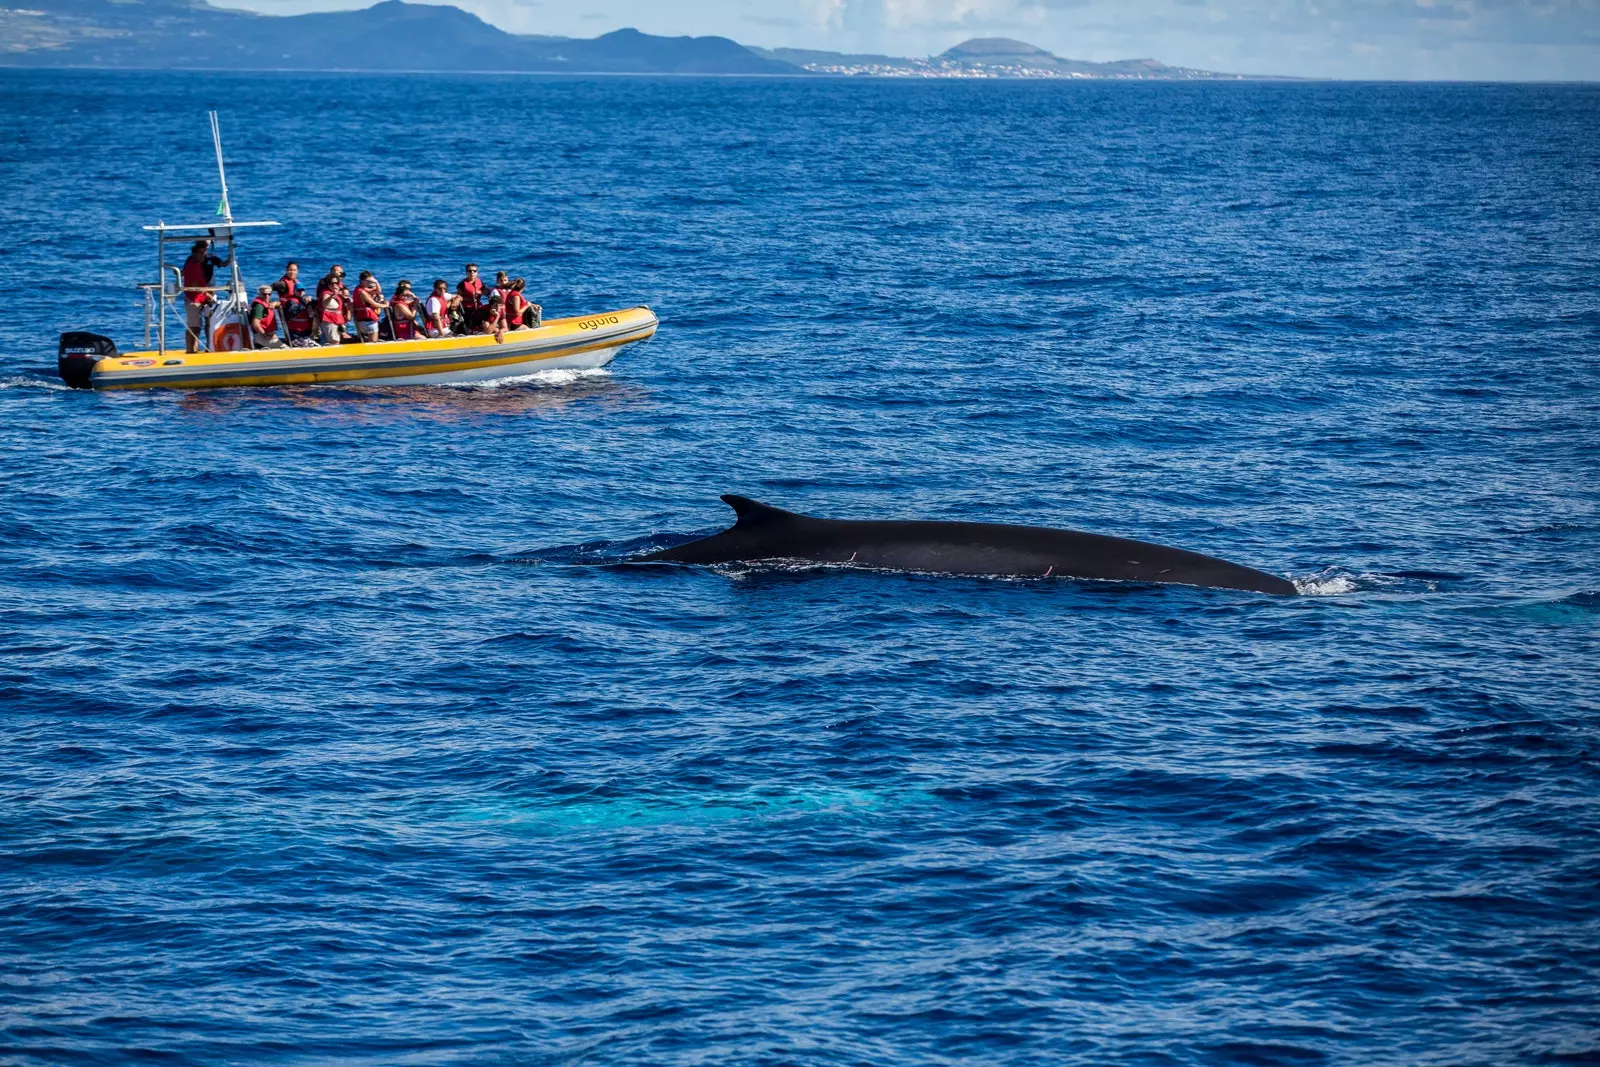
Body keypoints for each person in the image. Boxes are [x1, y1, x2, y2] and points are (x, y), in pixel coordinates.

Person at [181, 239, 231, 353]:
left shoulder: (211, 257)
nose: (205, 249)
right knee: (195, 324)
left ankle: (210, 345)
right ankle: (192, 348)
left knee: (210, 321)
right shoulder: (192, 262)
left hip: (208, 290)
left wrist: (229, 259)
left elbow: (222, 264)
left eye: (206, 246)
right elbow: (190, 279)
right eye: (202, 246)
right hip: (198, 293)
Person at [351, 271, 388, 343]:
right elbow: (374, 304)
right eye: (367, 281)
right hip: (367, 319)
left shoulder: (360, 289)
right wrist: (385, 305)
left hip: (362, 319)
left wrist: (376, 282)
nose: (369, 283)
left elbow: (378, 291)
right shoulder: (361, 292)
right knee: (373, 341)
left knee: (369, 341)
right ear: (362, 281)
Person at [316, 265, 350, 342]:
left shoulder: (340, 285)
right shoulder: (324, 285)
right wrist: (332, 295)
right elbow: (324, 301)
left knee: (339, 338)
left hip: (339, 317)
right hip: (328, 317)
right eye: (336, 271)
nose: (338, 273)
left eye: (340, 272)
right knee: (333, 339)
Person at [248, 284, 284, 348]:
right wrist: (265, 335)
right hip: (261, 335)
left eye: (269, 294)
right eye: (264, 294)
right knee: (285, 349)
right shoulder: (259, 307)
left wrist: (275, 303)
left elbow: (280, 303)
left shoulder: (268, 302)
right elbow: (255, 324)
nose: (267, 296)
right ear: (259, 294)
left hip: (268, 334)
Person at [457, 263, 486, 332]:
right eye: (469, 271)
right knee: (470, 326)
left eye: (474, 271)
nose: (472, 272)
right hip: (467, 308)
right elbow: (459, 297)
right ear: (466, 272)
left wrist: (481, 292)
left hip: (478, 306)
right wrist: (470, 299)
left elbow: (486, 291)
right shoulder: (462, 284)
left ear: (477, 273)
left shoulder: (480, 282)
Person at [317, 278, 346, 345]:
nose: (334, 285)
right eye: (332, 283)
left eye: (336, 283)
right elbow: (325, 303)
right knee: (334, 342)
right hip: (329, 321)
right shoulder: (326, 293)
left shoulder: (337, 294)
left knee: (336, 341)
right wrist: (332, 295)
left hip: (336, 321)